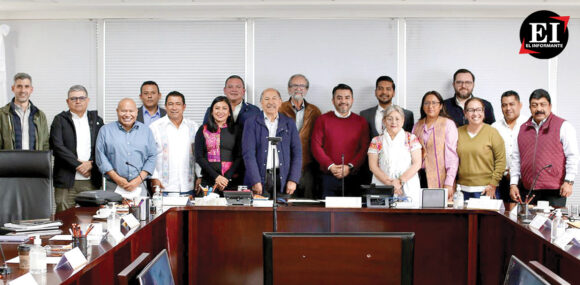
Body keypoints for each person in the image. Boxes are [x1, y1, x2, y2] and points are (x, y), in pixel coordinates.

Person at [510, 89, 579, 207]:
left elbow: (572, 156)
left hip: (554, 190)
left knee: (553, 224)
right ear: (530, 107)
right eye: (534, 105)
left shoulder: (563, 126)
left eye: (543, 104)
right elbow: (516, 159)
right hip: (528, 190)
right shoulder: (521, 129)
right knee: (527, 225)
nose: (539, 109)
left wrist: (569, 182)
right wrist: (513, 184)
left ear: (550, 106)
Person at [50, 85, 104, 212]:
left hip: (91, 179)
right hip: (66, 181)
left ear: (88, 100)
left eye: (81, 98)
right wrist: (79, 165)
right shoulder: (59, 120)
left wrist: (91, 164)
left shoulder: (97, 120)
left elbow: (102, 147)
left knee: (92, 217)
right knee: (64, 217)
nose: (78, 101)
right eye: (73, 98)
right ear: (67, 101)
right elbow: (57, 146)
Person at [311, 83, 370, 198]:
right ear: (333, 100)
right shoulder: (322, 120)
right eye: (339, 98)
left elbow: (364, 148)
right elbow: (315, 146)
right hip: (327, 177)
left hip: (353, 177)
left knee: (353, 215)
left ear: (352, 100)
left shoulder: (361, 122)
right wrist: (331, 166)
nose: (343, 101)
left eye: (347, 98)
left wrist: (349, 167)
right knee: (327, 214)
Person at [242, 88, 301, 196]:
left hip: (283, 177)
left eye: (274, 98)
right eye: (266, 99)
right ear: (261, 102)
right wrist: (255, 180)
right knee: (259, 212)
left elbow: (297, 153)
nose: (270, 102)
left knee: (284, 212)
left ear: (280, 102)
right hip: (260, 177)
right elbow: (248, 154)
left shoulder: (289, 123)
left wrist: (293, 179)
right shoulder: (251, 122)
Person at [96, 98, 157, 198]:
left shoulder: (146, 131)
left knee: (139, 212)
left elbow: (152, 156)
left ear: (137, 112)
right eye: (123, 111)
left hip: (139, 186)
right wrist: (118, 179)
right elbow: (100, 156)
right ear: (117, 111)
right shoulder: (105, 130)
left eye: (131, 111)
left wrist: (137, 180)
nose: (127, 114)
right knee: (113, 213)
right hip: (113, 185)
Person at [368, 105, 422, 207]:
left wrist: (399, 182)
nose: (394, 122)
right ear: (384, 121)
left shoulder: (411, 138)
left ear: (403, 121)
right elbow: (373, 166)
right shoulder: (376, 141)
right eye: (389, 119)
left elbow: (417, 163)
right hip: (383, 184)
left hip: (407, 184)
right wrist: (390, 184)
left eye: (397, 119)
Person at [149, 91, 201, 197]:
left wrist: (200, 176)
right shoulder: (155, 127)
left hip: (188, 186)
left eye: (178, 104)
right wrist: (153, 177)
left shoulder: (193, 127)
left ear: (184, 106)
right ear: (165, 106)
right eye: (170, 104)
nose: (174, 108)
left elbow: (198, 154)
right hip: (163, 187)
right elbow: (149, 155)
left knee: (188, 214)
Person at [279, 74, 322, 198]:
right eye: (295, 85)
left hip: (308, 164)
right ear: (289, 89)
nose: (298, 88)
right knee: (286, 202)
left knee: (308, 203)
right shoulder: (279, 108)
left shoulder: (315, 111)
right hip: (285, 164)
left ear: (307, 90)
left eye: (302, 86)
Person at [411, 91, 458, 200]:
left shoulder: (448, 124)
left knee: (439, 212)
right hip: (418, 176)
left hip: (441, 176)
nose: (430, 106)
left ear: (441, 106)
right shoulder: (417, 125)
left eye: (434, 103)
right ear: (422, 106)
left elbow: (452, 156)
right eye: (426, 103)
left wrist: (449, 182)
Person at [456, 97, 505, 200]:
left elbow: (501, 161)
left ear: (484, 112)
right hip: (462, 190)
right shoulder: (457, 132)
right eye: (471, 110)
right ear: (465, 113)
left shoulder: (492, 132)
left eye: (479, 109)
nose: (475, 113)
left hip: (486, 189)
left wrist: (493, 184)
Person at [195, 96, 243, 193]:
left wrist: (225, 178)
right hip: (209, 180)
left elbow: (239, 156)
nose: (220, 111)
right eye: (217, 108)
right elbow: (199, 157)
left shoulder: (237, 130)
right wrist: (217, 177)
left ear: (229, 112)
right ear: (212, 111)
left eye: (224, 108)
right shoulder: (203, 129)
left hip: (230, 181)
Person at [492, 91, 527, 209]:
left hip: (525, 181)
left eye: (512, 104)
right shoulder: (494, 127)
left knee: (525, 217)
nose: (508, 108)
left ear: (520, 105)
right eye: (504, 105)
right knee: (503, 217)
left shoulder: (529, 125)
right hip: (502, 181)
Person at [0, 72, 49, 150]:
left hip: (35, 161)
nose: (23, 90)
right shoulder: (2, 114)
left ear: (31, 89)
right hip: (9, 162)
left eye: (26, 86)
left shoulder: (40, 115)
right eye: (19, 86)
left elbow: (45, 144)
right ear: (13, 88)